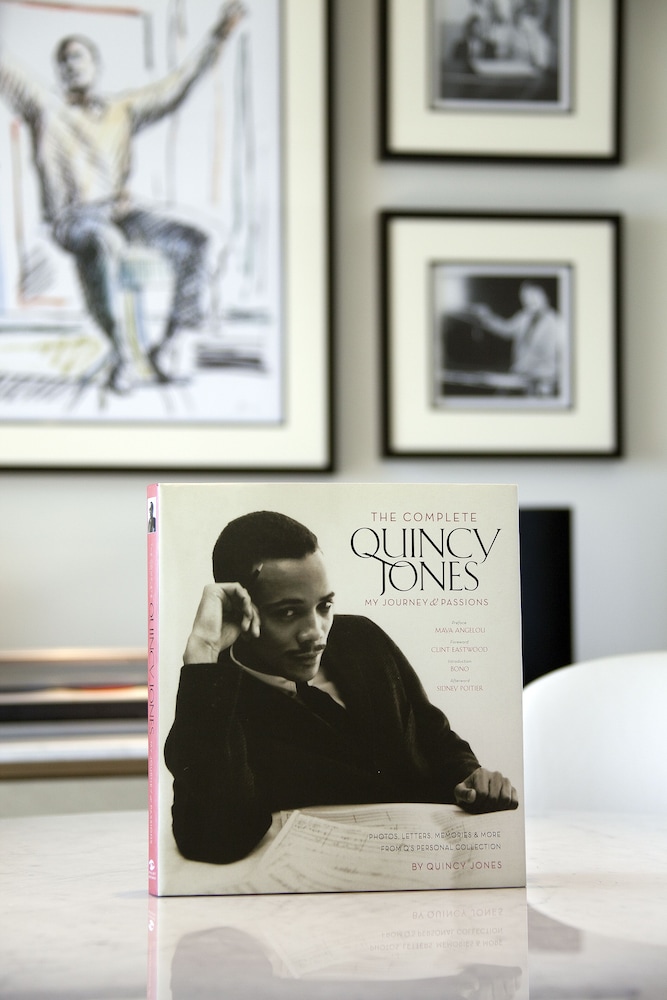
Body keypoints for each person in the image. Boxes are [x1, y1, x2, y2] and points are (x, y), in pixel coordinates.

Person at [164, 510, 519, 866]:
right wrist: (204, 652)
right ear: (239, 610)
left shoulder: (361, 638)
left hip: (445, 860)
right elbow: (215, 840)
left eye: (324, 606)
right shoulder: (212, 705)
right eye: (287, 613)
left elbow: (431, 733)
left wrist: (470, 778)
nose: (315, 632)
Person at [0, 2, 245, 392]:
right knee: (103, 242)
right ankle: (123, 354)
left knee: (198, 239)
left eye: (78, 57)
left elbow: (176, 87)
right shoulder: (45, 107)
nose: (71, 65)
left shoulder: (123, 109)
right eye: (63, 60)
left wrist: (218, 37)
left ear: (96, 66)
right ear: (58, 72)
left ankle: (174, 341)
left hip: (121, 210)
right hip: (74, 219)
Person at [471, 280, 564, 395]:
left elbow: (563, 359)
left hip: (543, 382)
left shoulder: (557, 322)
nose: (529, 301)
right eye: (525, 297)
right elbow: (505, 329)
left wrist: (552, 381)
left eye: (533, 296)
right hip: (520, 376)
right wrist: (486, 316)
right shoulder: (523, 317)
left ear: (545, 296)